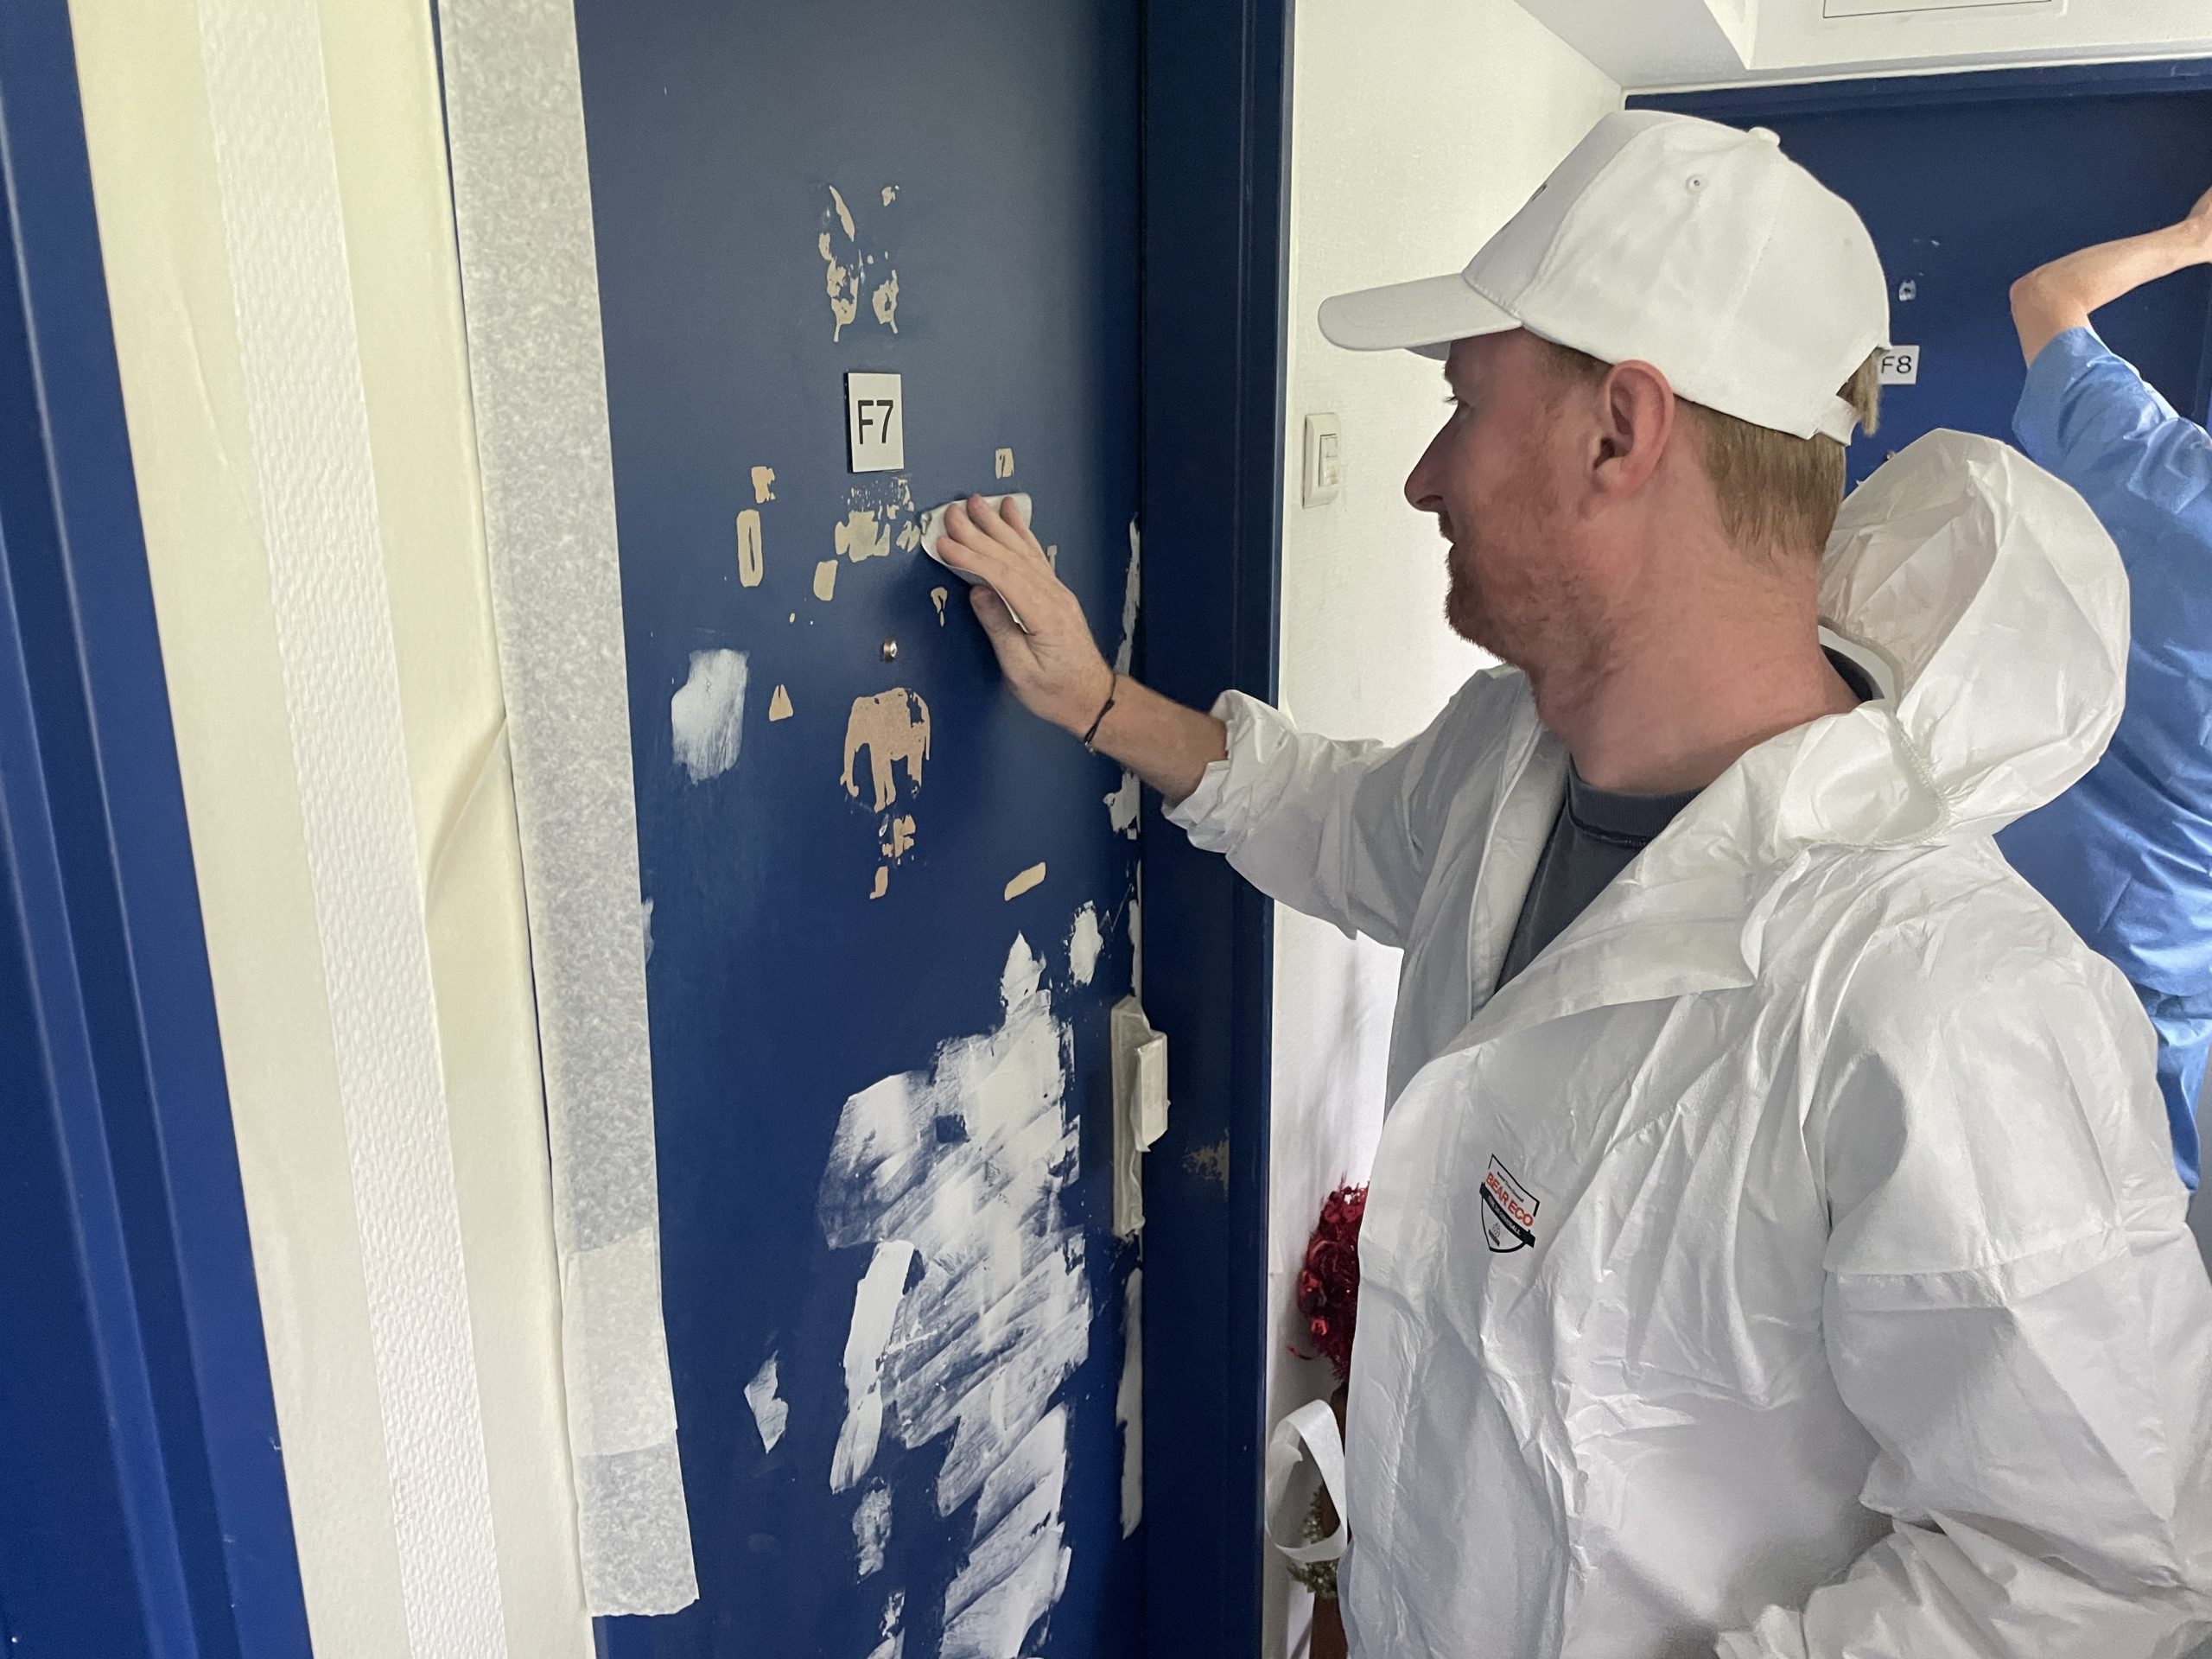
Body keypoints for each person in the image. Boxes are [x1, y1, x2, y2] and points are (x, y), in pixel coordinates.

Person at [938, 111, 2212, 1656]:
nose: (1422, 477)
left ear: (1622, 431)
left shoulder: (1955, 1008)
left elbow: (2097, 1580)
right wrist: (1094, 699)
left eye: (1464, 403)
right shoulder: (1510, 755)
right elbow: (1333, 817)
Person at [1998, 188, 2212, 1195]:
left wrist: (2192, 240)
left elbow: (2044, 297)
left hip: (2002, 871)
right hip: (2161, 956)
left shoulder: (2157, 467)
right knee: (2124, 1200)